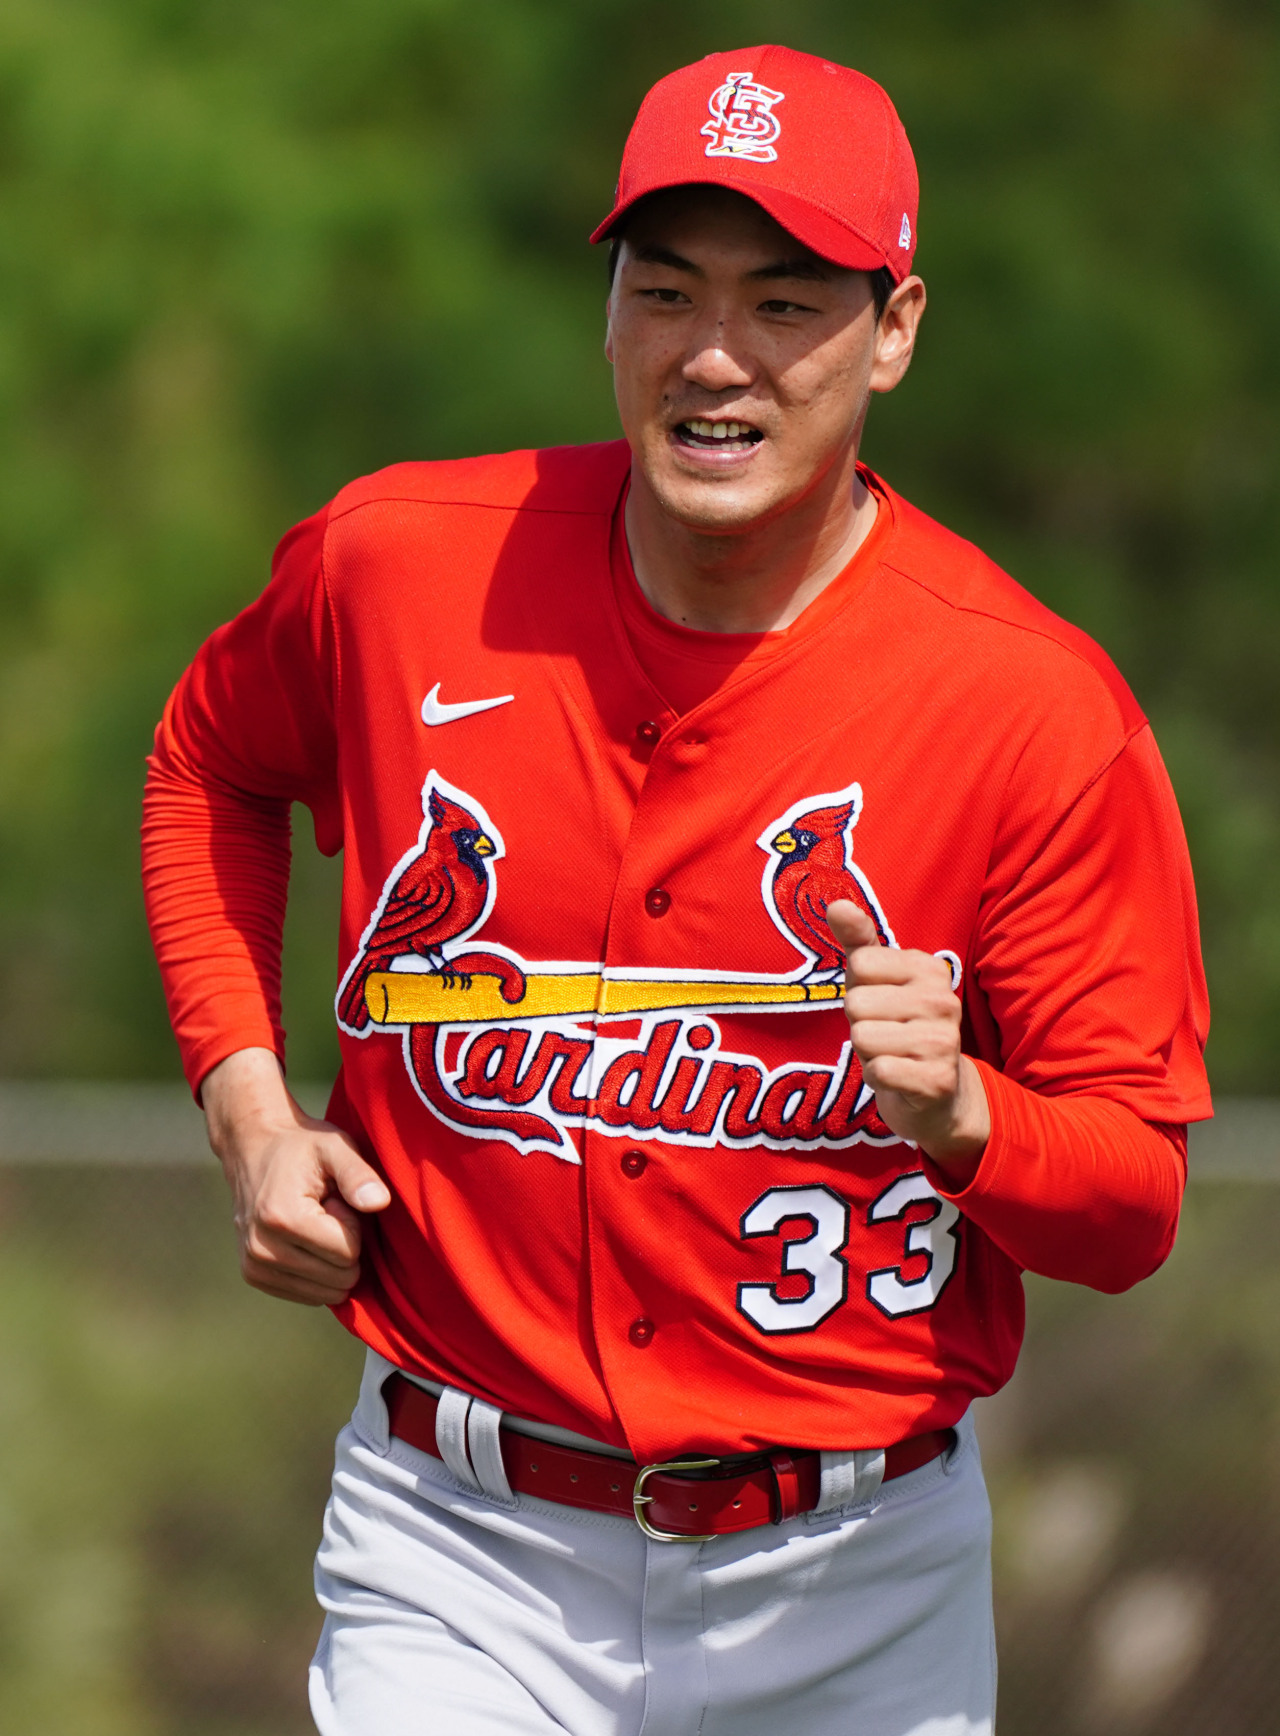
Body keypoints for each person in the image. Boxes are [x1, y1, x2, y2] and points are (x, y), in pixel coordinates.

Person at [141, 44, 1211, 1736]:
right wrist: (249, 1111)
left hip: (856, 1587)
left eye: (788, 302)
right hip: (457, 1547)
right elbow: (207, 763)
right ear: (614, 312)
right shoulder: (402, 564)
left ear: (899, 328)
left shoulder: (1032, 711)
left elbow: (1134, 1198)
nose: (716, 357)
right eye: (668, 290)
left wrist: (963, 1118)